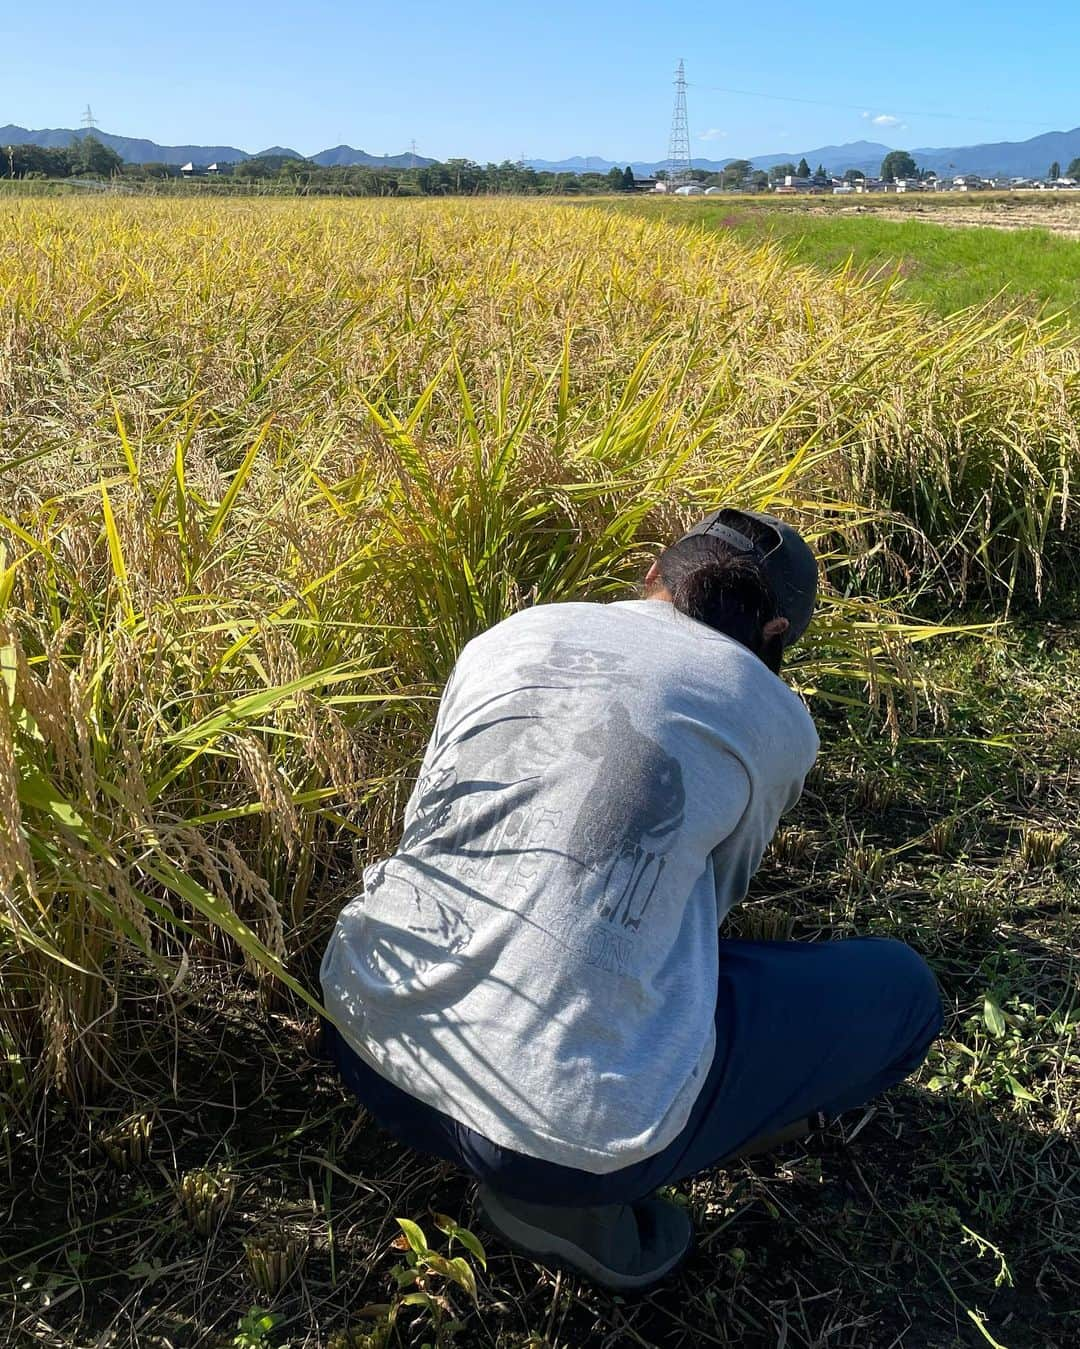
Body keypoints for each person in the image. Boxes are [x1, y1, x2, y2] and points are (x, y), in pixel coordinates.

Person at [320, 507, 943, 1291]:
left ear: (653, 576)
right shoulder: (773, 710)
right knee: (905, 993)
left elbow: (431, 825)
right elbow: (714, 903)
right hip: (559, 1143)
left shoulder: (512, 633)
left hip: (365, 1031)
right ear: (776, 631)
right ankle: (562, 1205)